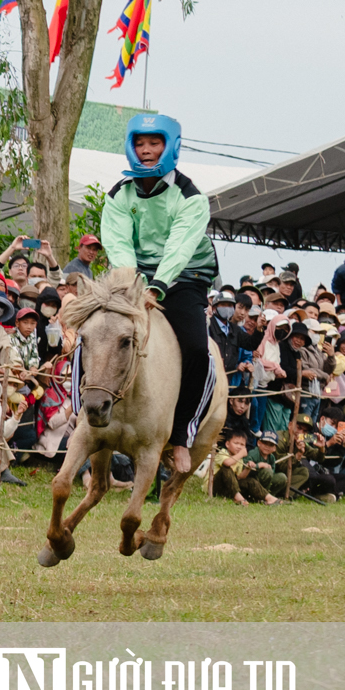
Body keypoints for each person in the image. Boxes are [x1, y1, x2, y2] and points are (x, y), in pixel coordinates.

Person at [99, 113, 219, 478]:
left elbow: (180, 248)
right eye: (140, 143)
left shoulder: (191, 197)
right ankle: (84, 409)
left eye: (154, 143)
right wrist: (131, 283)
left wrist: (158, 285)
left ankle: (182, 433)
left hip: (186, 277)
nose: (146, 150)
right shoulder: (120, 193)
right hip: (135, 277)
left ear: (171, 146)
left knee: (197, 350)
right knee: (96, 333)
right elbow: (118, 242)